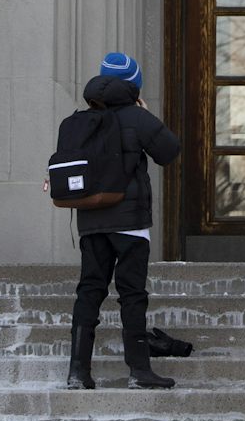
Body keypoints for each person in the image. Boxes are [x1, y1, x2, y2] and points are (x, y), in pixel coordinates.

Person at [67, 51, 181, 390]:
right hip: (129, 223)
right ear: (133, 86)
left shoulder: (81, 120)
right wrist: (145, 115)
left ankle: (77, 372)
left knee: (89, 291)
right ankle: (139, 371)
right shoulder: (136, 116)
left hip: (90, 221)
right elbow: (169, 151)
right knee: (132, 294)